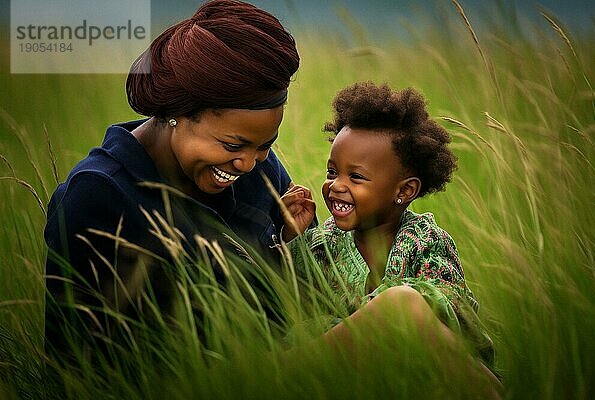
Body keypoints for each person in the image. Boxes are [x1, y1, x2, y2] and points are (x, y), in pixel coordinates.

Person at [44, 0, 305, 362]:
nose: (247, 162)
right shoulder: (100, 195)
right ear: (177, 113)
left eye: (265, 145)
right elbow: (75, 363)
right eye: (232, 144)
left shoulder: (258, 169)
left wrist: (294, 243)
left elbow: (297, 301)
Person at [281, 81, 500, 395]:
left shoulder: (425, 242)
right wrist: (293, 238)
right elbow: (294, 300)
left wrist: (378, 308)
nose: (336, 186)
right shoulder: (323, 243)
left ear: (404, 191)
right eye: (332, 172)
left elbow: (443, 304)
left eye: (355, 176)